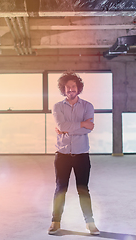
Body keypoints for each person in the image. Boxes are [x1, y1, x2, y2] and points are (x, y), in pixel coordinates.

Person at [48, 71, 100, 235]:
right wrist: (81, 125)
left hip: (81, 155)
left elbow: (89, 128)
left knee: (83, 189)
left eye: (73, 86)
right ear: (63, 89)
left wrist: (68, 128)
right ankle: (55, 222)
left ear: (78, 88)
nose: (71, 89)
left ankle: (90, 223)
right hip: (62, 155)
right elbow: (62, 127)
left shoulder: (88, 106)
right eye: (67, 87)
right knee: (60, 189)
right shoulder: (57, 107)